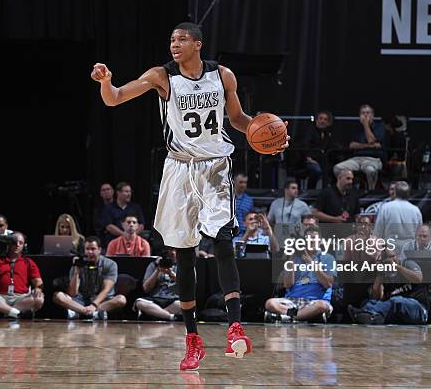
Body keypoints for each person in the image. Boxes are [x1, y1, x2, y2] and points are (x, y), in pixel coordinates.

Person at [91, 22, 288, 370]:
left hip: (215, 166)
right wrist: (106, 81)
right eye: (171, 40)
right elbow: (115, 98)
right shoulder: (161, 76)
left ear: (198, 44)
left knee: (224, 241)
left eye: (181, 39)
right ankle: (192, 340)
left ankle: (235, 328)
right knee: (184, 254)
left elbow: (239, 119)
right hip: (179, 168)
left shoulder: (222, 75)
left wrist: (267, 136)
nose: (174, 45)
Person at [264, 226, 335, 323]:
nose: (311, 241)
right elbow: (287, 284)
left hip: (315, 301)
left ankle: (290, 317)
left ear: (320, 241)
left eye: (314, 238)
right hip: (293, 301)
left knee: (322, 306)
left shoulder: (328, 258)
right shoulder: (295, 259)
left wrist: (310, 261)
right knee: (270, 303)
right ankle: (300, 316)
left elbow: (328, 284)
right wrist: (292, 255)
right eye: (308, 239)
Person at [347, 247, 428, 325]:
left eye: (391, 257)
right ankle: (372, 317)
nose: (389, 260)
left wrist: (396, 267)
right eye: (385, 259)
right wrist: (380, 275)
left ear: (396, 256)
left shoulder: (407, 263)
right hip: (395, 312)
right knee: (369, 302)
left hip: (418, 309)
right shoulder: (384, 273)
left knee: (397, 301)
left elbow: (418, 278)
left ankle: (366, 313)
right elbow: (378, 297)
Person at [53, 237, 127, 320]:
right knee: (58, 296)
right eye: (87, 249)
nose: (90, 252)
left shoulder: (110, 264)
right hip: (81, 300)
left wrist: (94, 305)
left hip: (102, 302)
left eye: (93, 249)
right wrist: (77, 271)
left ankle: (79, 312)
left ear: (99, 250)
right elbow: (73, 293)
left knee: (121, 299)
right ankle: (91, 313)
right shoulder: (78, 263)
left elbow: (106, 290)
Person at [0, 232, 44, 319]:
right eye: (14, 242)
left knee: (39, 299)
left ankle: (6, 312)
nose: (17, 245)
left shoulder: (28, 262)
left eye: (21, 243)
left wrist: (38, 288)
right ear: (8, 243)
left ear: (24, 246)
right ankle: (16, 314)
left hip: (20, 298)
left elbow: (39, 283)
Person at [333, 104, 386, 189]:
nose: (365, 115)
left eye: (368, 113)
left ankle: (371, 191)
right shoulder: (355, 127)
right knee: (337, 168)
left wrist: (366, 125)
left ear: (372, 115)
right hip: (356, 159)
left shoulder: (380, 127)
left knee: (370, 171)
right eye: (363, 113)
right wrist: (369, 146)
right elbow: (352, 145)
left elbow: (371, 140)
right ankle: (347, 189)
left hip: (373, 159)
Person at [372, 181, 422, 254]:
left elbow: (378, 233)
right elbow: (419, 233)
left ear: (395, 192)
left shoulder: (386, 208)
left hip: (390, 250)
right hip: (410, 251)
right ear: (408, 194)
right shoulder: (416, 210)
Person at [134, 248, 183, 321]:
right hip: (155, 299)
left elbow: (186, 287)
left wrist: (171, 274)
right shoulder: (153, 265)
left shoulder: (184, 266)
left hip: (173, 300)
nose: (173, 253)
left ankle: (154, 314)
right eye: (170, 250)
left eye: (175, 250)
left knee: (183, 304)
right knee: (139, 303)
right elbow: (146, 289)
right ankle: (170, 317)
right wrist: (157, 271)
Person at [312, 169, 359, 239]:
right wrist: (334, 219)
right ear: (339, 178)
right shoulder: (326, 193)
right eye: (348, 178)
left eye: (352, 179)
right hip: (329, 237)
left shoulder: (354, 195)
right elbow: (315, 213)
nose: (351, 182)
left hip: (349, 238)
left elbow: (356, 215)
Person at [304, 110, 342, 189]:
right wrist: (308, 158)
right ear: (316, 120)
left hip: (323, 160)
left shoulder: (328, 133)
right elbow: (304, 146)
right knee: (316, 170)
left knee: (335, 169)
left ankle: (331, 191)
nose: (323, 121)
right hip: (310, 160)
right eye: (321, 118)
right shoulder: (309, 131)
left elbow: (334, 146)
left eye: (325, 119)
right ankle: (310, 191)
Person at [267, 179, 311, 246]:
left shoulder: (302, 205)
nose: (296, 190)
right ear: (286, 189)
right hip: (278, 240)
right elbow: (269, 221)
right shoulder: (276, 203)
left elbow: (310, 221)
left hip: (295, 241)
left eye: (297, 188)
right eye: (293, 188)